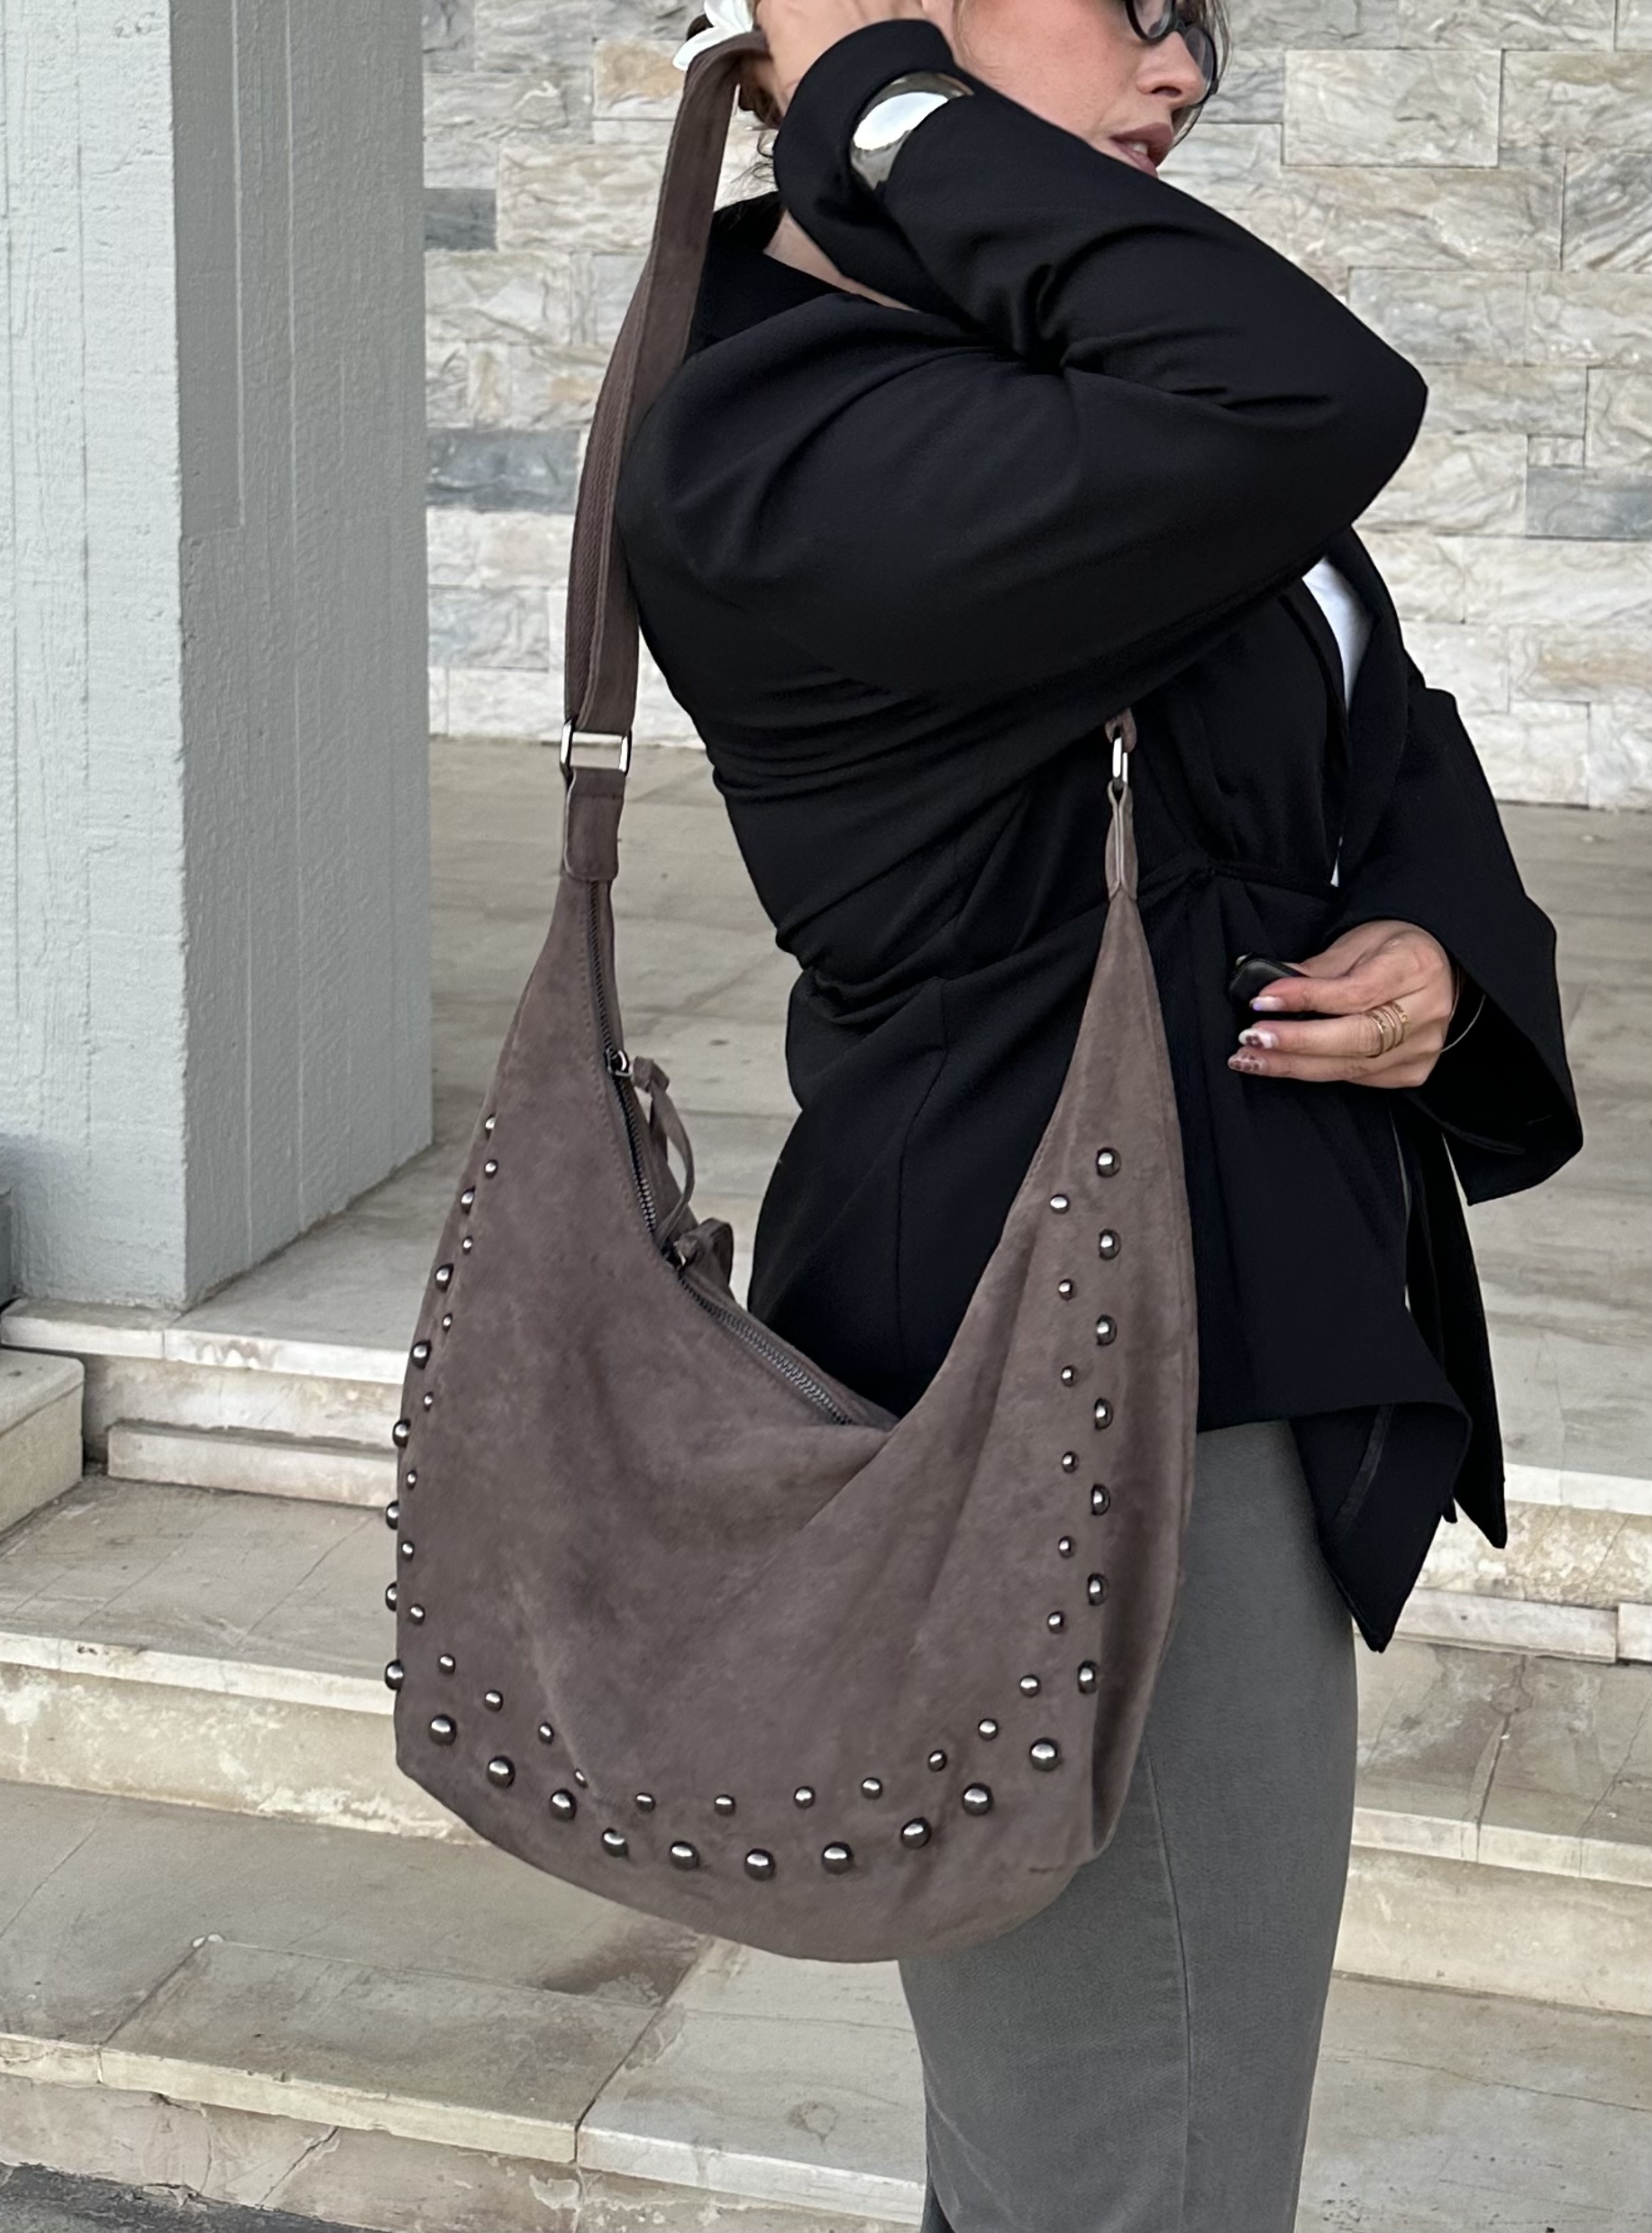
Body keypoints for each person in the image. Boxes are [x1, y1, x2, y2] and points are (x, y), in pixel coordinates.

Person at [614, 2, 1582, 2225]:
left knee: (1117, 2130)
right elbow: (1316, 397)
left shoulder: (1053, 368)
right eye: (1125, 2)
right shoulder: (781, 427)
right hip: (1063, 1349)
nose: (1182, 70)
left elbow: (1366, 714)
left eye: (1194, 19)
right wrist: (862, 85)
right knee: (1136, 2154)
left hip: (1209, 1295)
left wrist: (1435, 945)